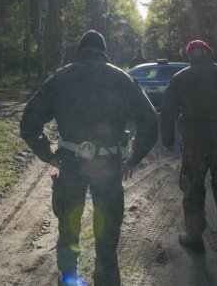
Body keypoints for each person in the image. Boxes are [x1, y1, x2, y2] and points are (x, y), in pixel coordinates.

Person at [20, 30, 158, 286]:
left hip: (71, 163)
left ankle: (69, 279)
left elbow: (28, 122)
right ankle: (106, 279)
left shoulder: (60, 78)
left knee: (69, 227)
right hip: (108, 165)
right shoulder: (121, 78)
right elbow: (150, 120)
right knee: (107, 230)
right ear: (103, 51)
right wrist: (132, 158)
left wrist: (47, 154)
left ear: (80, 50)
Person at [160, 39, 217, 270]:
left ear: (190, 56)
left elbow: (167, 111)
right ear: (209, 53)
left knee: (193, 190)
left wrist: (169, 141)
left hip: (194, 145)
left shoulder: (180, 77)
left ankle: (194, 238)